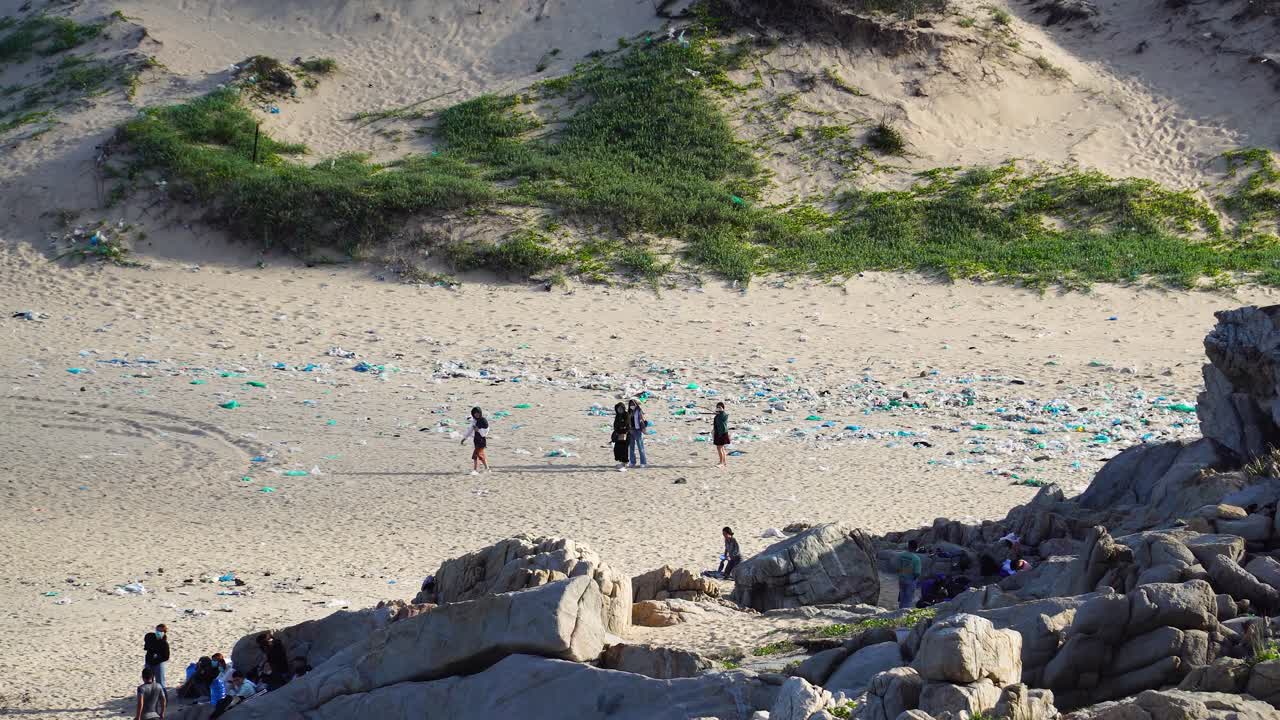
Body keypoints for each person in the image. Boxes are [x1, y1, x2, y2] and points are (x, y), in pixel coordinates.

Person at [459, 406, 490, 475]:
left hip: (481, 441)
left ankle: (476, 470)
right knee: (480, 455)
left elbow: (486, 432)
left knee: (476, 455)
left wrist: (478, 430)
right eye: (475, 413)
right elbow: (470, 430)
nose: (476, 414)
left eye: (478, 413)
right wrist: (464, 438)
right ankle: (487, 469)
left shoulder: (483, 420)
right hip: (476, 440)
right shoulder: (474, 421)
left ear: (480, 413)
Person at [143, 624, 169, 696]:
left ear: (164, 632)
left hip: (158, 663)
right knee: (148, 681)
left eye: (160, 631)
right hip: (149, 662)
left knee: (160, 682)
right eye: (157, 630)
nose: (158, 632)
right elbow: (146, 646)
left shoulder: (164, 643)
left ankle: (164, 699)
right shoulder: (150, 637)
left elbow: (166, 657)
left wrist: (157, 658)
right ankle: (149, 698)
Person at [896, 540, 923, 610]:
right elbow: (917, 573)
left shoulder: (901, 555)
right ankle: (903, 614)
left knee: (902, 596)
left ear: (908, 546)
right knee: (908, 599)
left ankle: (899, 609)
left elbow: (897, 567)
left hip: (901, 579)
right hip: (910, 580)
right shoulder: (916, 559)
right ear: (916, 548)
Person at [627, 398, 648, 469]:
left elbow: (643, 420)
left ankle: (643, 462)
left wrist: (644, 429)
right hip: (630, 431)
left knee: (640, 447)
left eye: (633, 404)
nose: (632, 405)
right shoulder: (629, 412)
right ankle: (632, 462)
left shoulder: (639, 411)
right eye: (630, 404)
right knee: (631, 448)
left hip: (638, 431)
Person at [611, 402, 630, 471]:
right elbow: (615, 425)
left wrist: (623, 429)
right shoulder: (617, 415)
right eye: (618, 409)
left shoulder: (626, 415)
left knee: (624, 449)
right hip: (618, 434)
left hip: (626, 434)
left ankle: (624, 463)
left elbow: (627, 424)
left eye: (621, 408)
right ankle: (622, 462)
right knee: (617, 449)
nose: (620, 410)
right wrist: (617, 430)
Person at [712, 402, 731, 468]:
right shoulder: (717, 415)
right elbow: (715, 424)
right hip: (718, 433)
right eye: (717, 407)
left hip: (722, 433)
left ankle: (721, 462)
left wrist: (720, 412)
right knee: (721, 448)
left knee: (719, 448)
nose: (718, 408)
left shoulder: (724, 415)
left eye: (720, 407)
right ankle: (724, 462)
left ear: (723, 408)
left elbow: (723, 418)